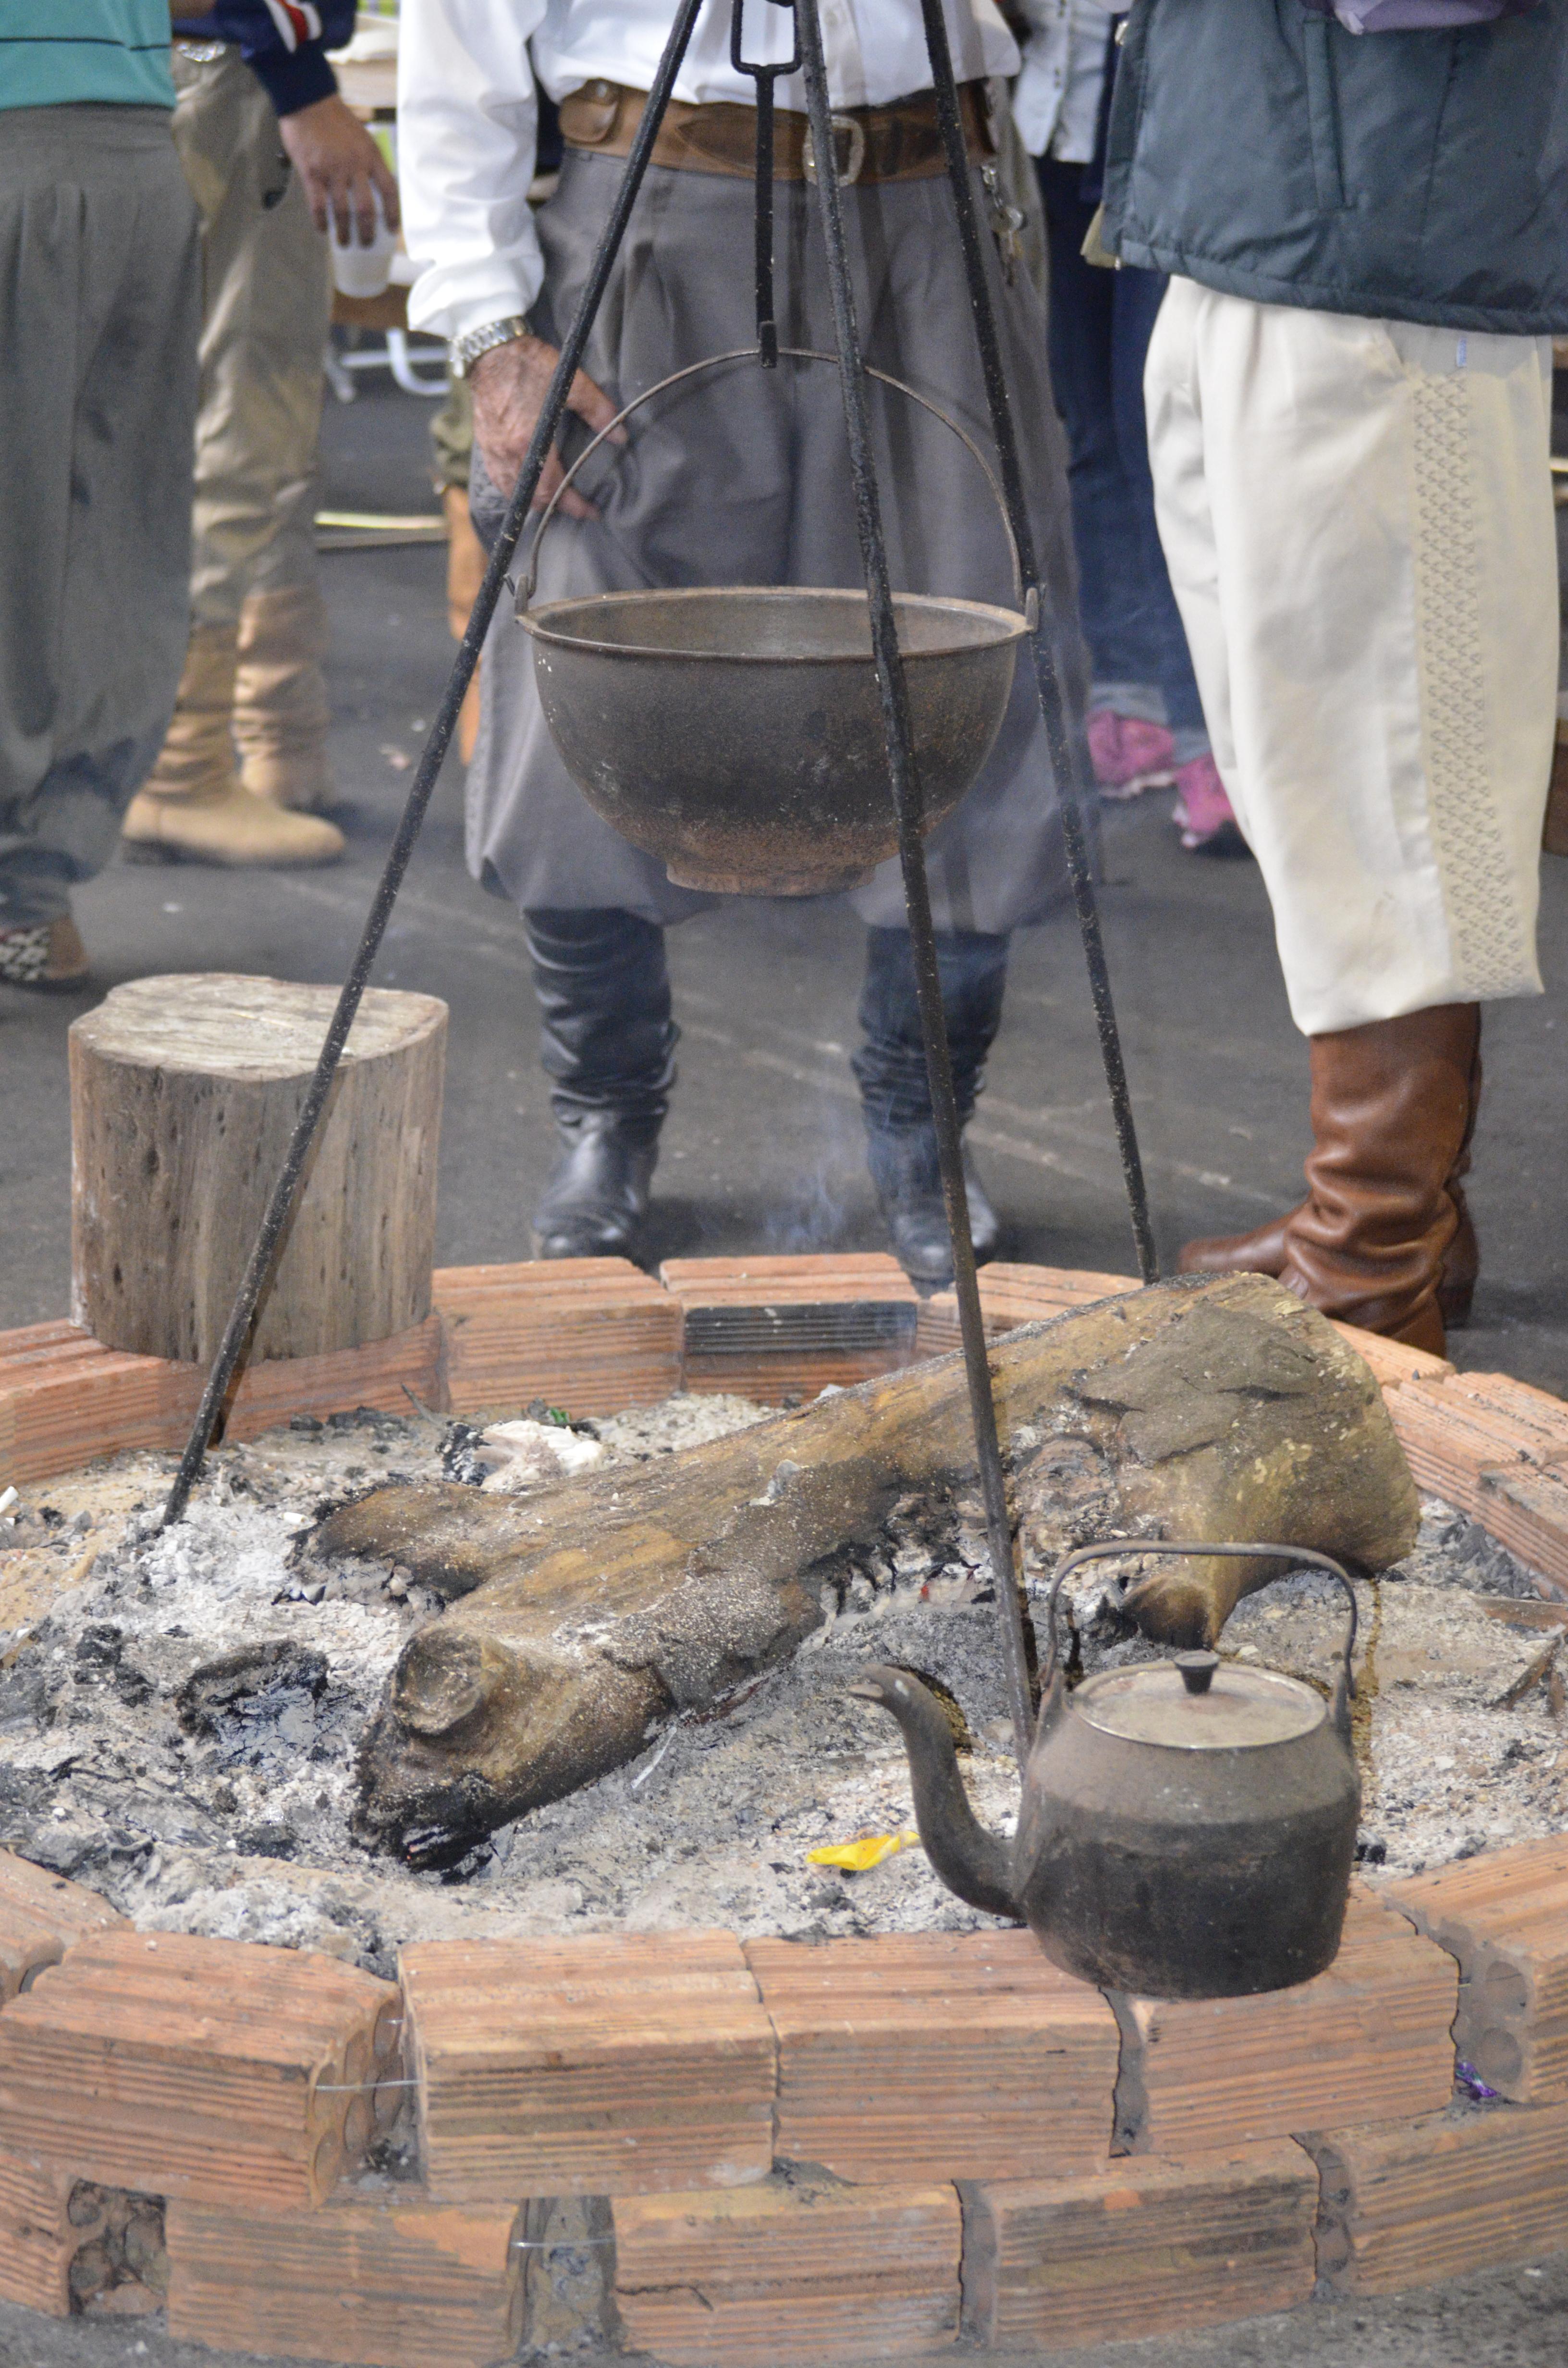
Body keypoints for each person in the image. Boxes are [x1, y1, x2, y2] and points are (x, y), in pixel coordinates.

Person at [398, 0, 1089, 1285]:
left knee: (973, 661)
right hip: (655, 215)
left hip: (932, 214)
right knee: (583, 673)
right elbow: (461, 63)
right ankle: (606, 1117)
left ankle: (919, 1128)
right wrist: (493, 337)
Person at [1100, 0, 1565, 1351]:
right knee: (1309, 768)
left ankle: (1374, 1256)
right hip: (1258, 220)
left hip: (1379, 260)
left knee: (1392, 774)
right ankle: (1400, 1218)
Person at [119, 2, 399, 867]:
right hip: (234, 74)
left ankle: (279, 732)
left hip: (172, 72)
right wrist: (302, 83)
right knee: (250, 407)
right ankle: (182, 768)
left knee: (255, 401)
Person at [0, 1, 201, 989]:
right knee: (117, 534)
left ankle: (26, 894)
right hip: (134, 146)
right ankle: (32, 897)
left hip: (26, 139)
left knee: (39, 539)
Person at [1014, 0, 1242, 853]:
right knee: (1089, 435)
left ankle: (1211, 733)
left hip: (1175, 115)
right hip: (1055, 111)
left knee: (1166, 441)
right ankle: (1130, 699)